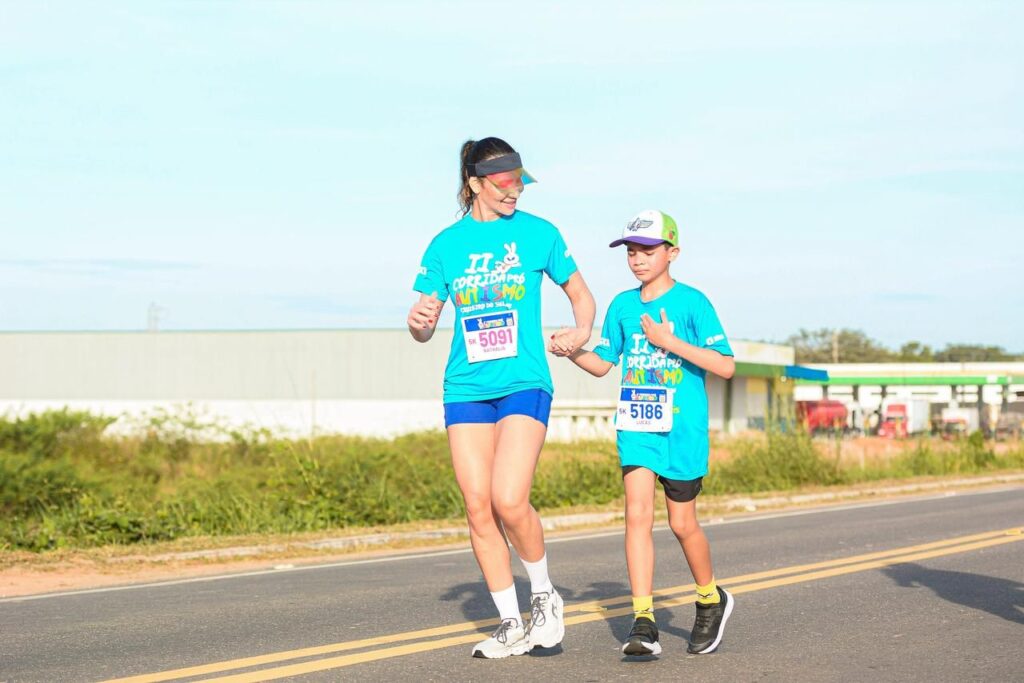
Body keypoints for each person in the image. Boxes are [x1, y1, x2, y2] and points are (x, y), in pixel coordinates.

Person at [408, 137, 595, 658]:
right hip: (466, 386)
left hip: (524, 381)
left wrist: (581, 330)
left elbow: (582, 296)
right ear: (475, 184)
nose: (515, 192)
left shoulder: (539, 234)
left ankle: (544, 597)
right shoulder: (445, 246)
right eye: (504, 183)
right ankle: (510, 622)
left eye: (519, 182)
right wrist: (418, 323)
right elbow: (425, 322)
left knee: (509, 498)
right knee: (476, 506)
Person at [552, 209, 735, 656]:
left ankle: (711, 599)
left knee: (681, 523)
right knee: (637, 514)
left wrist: (670, 342)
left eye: (647, 251)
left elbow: (726, 366)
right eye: (631, 251)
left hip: (682, 429)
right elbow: (602, 365)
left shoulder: (693, 303)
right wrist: (572, 351)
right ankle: (644, 621)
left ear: (672, 253)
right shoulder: (621, 306)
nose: (637, 259)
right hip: (637, 425)